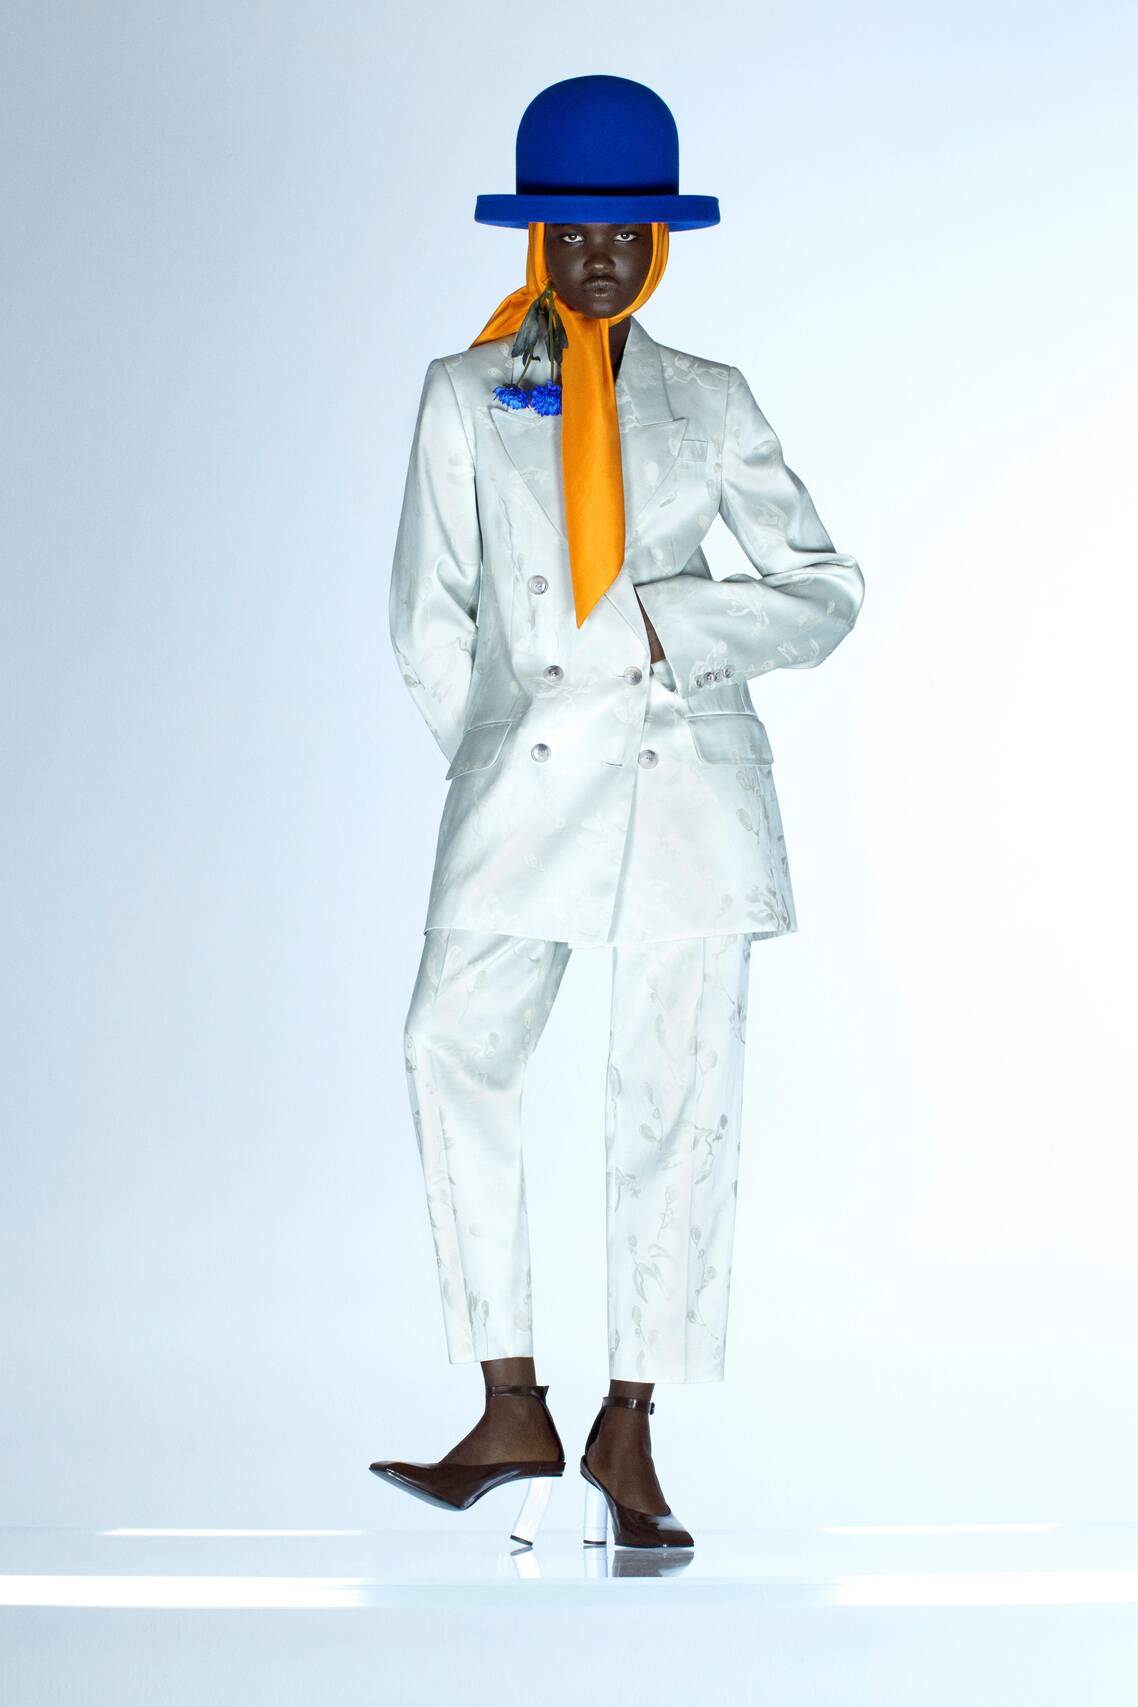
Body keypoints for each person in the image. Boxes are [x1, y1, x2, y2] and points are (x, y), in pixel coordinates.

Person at [370, 74, 864, 1550]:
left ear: (659, 242)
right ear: (536, 238)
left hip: (685, 785)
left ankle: (630, 1423)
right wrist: (500, 756)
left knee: (675, 1100)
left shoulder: (710, 398)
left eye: (626, 233)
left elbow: (824, 590)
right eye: (574, 232)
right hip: (526, 779)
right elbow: (429, 619)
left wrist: (670, 622)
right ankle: (508, 1397)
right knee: (446, 1044)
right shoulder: (465, 392)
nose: (600, 256)